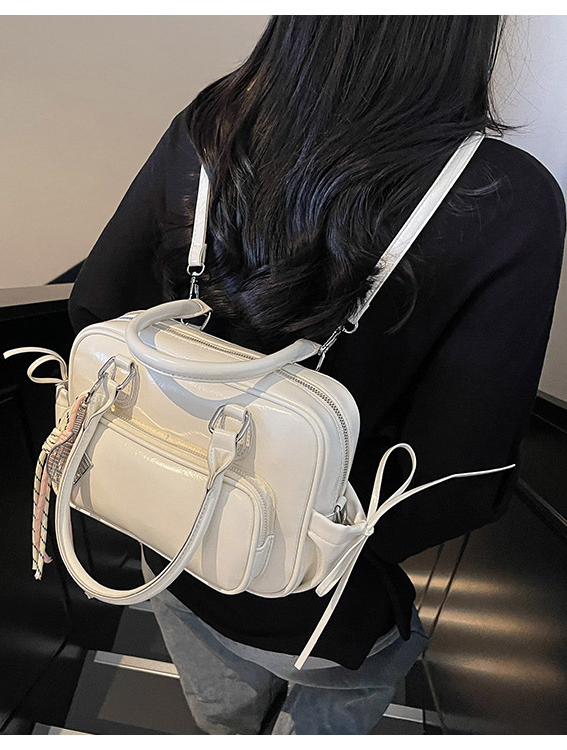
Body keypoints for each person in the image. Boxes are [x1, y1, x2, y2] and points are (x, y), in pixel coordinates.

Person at [67, 16, 566, 734]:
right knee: (332, 710)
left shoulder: (210, 129)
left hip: (173, 550)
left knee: (221, 716)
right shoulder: (506, 198)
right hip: (328, 606)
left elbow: (97, 311)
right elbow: (463, 482)